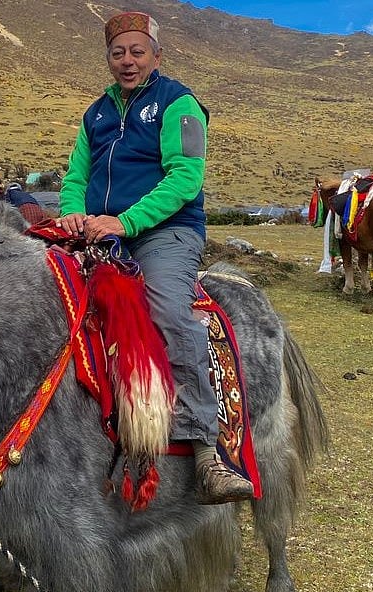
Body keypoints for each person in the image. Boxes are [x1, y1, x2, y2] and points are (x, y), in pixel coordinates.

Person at [57, 10, 253, 504]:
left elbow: (186, 178)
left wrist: (125, 221)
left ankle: (205, 447)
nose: (127, 61)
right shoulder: (96, 113)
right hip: (102, 234)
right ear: (108, 58)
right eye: (118, 52)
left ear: (156, 55)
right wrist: (72, 216)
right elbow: (75, 178)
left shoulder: (179, 103)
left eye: (137, 51)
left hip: (166, 233)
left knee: (167, 308)